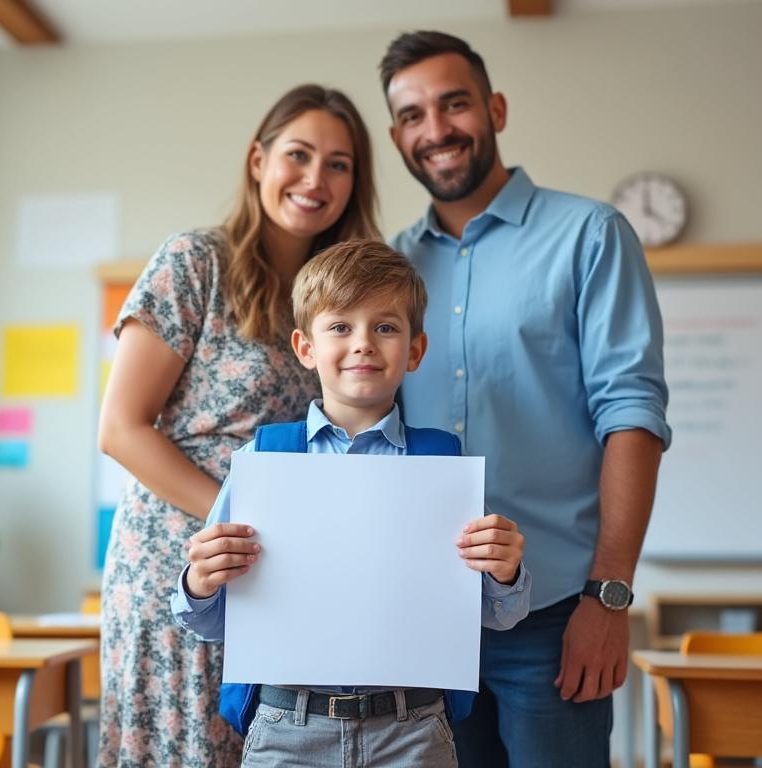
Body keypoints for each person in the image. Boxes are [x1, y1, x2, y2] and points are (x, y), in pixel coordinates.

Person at [379, 31, 672, 767]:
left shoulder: (590, 235)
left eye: (455, 104)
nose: (437, 130)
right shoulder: (387, 268)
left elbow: (632, 416)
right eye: (413, 115)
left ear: (495, 109)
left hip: (553, 615)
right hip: (422, 616)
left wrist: (607, 598)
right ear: (396, 136)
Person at [96, 84, 380, 767]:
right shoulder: (196, 261)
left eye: (338, 164)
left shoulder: (342, 295)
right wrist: (236, 519)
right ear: (259, 160)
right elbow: (121, 429)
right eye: (299, 155)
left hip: (281, 569)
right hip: (180, 560)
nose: (316, 179)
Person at [171, 239, 531, 767]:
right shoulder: (264, 458)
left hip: (413, 730)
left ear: (414, 350)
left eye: (385, 327)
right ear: (305, 348)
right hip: (286, 728)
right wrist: (200, 581)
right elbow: (205, 619)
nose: (363, 343)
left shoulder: (445, 464)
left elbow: (499, 615)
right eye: (340, 327)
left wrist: (504, 572)